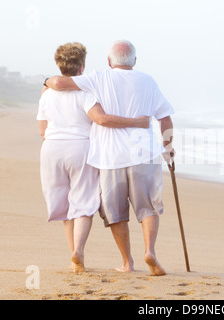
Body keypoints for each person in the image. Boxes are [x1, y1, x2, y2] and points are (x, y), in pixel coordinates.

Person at [45, 40, 175, 276]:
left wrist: (46, 82)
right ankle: (150, 251)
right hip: (144, 154)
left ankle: (127, 262)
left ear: (108, 61)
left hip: (109, 157)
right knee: (148, 208)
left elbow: (59, 82)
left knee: (115, 213)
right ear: (135, 61)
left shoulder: (99, 78)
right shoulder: (148, 81)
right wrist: (169, 146)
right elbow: (165, 118)